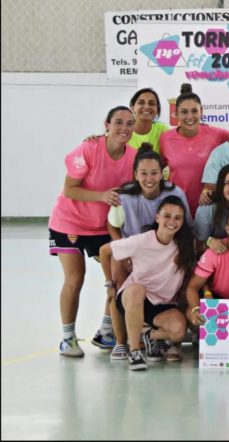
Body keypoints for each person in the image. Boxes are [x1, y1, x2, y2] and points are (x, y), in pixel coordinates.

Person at [49, 106, 137, 357]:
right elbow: (70, 190)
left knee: (118, 277)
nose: (124, 128)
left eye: (129, 123)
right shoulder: (87, 149)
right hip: (70, 222)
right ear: (106, 125)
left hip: (104, 226)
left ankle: (105, 332)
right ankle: (68, 338)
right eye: (118, 122)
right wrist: (102, 195)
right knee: (75, 279)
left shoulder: (132, 157)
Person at [105, 143, 192, 361]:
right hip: (132, 249)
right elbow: (112, 226)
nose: (149, 178)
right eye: (143, 173)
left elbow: (185, 224)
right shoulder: (124, 195)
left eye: (154, 173)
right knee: (118, 289)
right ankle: (121, 343)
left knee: (171, 286)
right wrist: (124, 253)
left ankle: (151, 335)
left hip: (162, 248)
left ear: (162, 173)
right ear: (135, 174)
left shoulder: (175, 193)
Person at [99, 195, 196, 371]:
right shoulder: (142, 240)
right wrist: (109, 283)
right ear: (157, 217)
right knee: (137, 289)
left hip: (162, 303)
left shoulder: (185, 245)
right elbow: (104, 251)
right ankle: (135, 352)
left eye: (177, 218)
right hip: (134, 297)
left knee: (179, 330)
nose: (172, 221)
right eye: (167, 216)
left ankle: (149, 335)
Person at [159, 83, 229, 217]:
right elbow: (157, 169)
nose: (190, 117)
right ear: (176, 114)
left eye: (194, 111)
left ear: (201, 111)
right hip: (177, 210)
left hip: (208, 209)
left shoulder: (216, 135)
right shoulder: (166, 138)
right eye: (184, 112)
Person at [127, 88, 170, 152]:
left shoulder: (162, 130)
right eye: (141, 102)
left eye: (151, 103)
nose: (146, 107)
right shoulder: (125, 131)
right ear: (132, 107)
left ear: (157, 109)